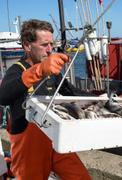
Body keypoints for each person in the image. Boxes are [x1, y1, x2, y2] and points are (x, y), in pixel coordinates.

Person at [0, 19, 92, 180]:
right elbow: (3, 96)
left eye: (52, 44)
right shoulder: (16, 70)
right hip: (28, 148)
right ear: (27, 46)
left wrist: (103, 98)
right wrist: (39, 71)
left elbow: (70, 91)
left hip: (55, 140)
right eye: (44, 45)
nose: (50, 50)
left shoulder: (52, 71)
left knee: (81, 177)